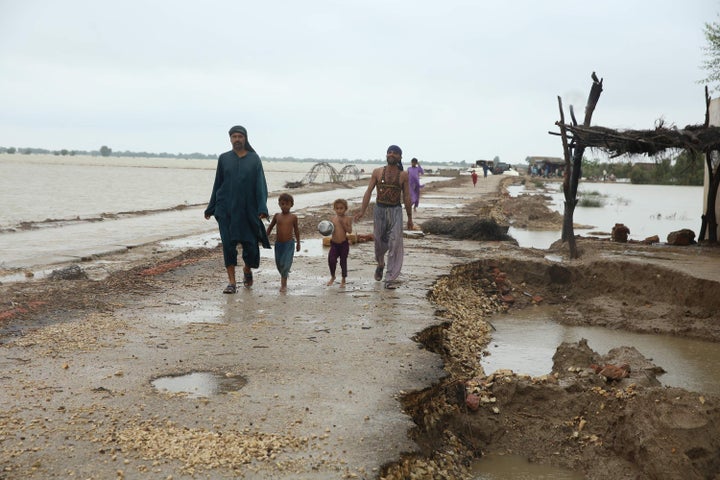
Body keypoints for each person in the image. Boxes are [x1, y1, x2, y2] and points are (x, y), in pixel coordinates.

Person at [204, 125, 270, 294]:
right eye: (234, 136)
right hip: (225, 209)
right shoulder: (224, 158)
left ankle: (247, 269)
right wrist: (211, 207)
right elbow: (217, 183)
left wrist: (262, 207)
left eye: (240, 136)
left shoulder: (254, 159)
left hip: (248, 210)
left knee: (251, 246)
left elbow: (260, 185)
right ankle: (231, 282)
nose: (237, 139)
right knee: (228, 245)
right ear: (230, 139)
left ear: (245, 138)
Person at [354, 144, 413, 289]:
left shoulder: (404, 175)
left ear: (400, 157)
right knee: (379, 243)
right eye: (389, 152)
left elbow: (406, 196)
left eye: (395, 153)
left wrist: (410, 218)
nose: (391, 155)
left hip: (396, 212)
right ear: (386, 155)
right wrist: (362, 211)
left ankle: (390, 278)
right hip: (379, 211)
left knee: (395, 244)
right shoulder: (377, 172)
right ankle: (380, 264)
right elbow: (368, 191)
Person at [266, 193, 301, 292]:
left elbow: (297, 230)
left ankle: (283, 285)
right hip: (278, 244)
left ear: (291, 205)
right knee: (279, 264)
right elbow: (270, 227)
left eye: (287, 204)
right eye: (282, 204)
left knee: (286, 265)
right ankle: (284, 274)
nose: (284, 206)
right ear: (279, 204)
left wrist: (298, 243)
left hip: (289, 244)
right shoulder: (277, 216)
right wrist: (265, 237)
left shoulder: (293, 217)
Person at [327, 198, 353, 288]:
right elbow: (329, 230)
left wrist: (343, 224)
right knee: (331, 260)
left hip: (343, 244)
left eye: (341, 208)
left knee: (343, 262)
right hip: (334, 244)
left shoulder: (348, 219)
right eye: (337, 208)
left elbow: (349, 231)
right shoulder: (333, 218)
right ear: (334, 209)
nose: (339, 210)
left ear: (345, 209)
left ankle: (343, 279)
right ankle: (333, 276)